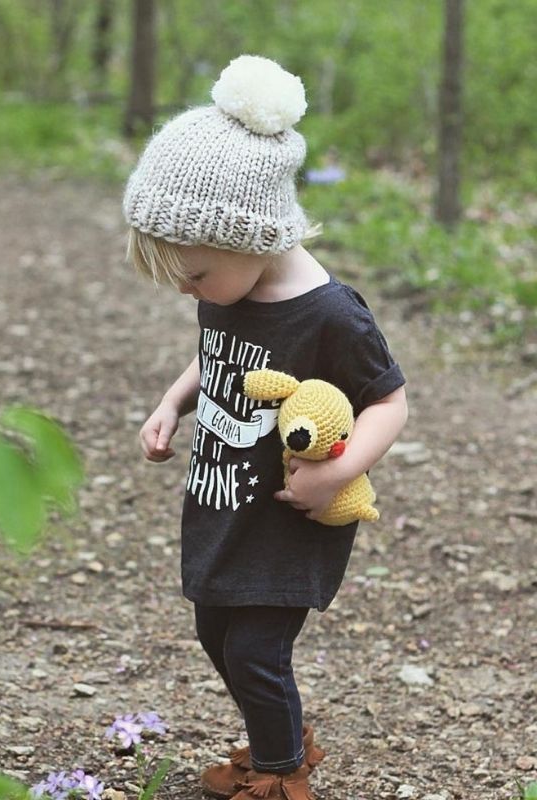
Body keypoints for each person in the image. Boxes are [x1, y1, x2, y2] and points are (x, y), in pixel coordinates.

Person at [122, 55, 408, 800]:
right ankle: (279, 739)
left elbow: (390, 403)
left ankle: (281, 778)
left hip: (288, 517)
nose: (189, 290)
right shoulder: (226, 283)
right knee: (215, 635)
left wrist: (339, 472)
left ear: (250, 237)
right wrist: (173, 400)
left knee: (253, 648)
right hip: (223, 506)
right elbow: (214, 355)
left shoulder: (331, 314)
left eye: (193, 275)